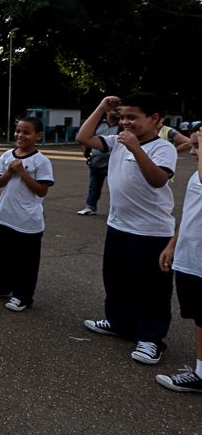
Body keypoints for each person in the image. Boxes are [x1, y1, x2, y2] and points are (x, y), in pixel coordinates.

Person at [77, 92, 178, 365]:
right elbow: (83, 139)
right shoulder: (117, 141)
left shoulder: (162, 147)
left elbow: (158, 180)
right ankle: (118, 322)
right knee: (116, 280)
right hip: (118, 225)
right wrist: (100, 107)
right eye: (122, 117)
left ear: (155, 118)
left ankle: (151, 339)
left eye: (132, 117)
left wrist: (136, 148)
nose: (125, 123)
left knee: (151, 289)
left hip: (151, 232)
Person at [0, 117, 54, 311]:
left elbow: (42, 191)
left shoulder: (41, 161)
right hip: (4, 215)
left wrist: (22, 172)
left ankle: (23, 296)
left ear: (38, 136)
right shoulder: (6, 156)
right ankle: (0, 287)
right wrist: (10, 172)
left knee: (25, 262)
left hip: (27, 221)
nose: (20, 135)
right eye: (18, 131)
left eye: (26, 132)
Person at [156, 130, 202, 393]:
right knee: (200, 317)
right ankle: (200, 371)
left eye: (197, 146)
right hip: (190, 257)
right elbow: (190, 213)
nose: (193, 151)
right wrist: (173, 244)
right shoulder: (196, 174)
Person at [77, 109, 120, 216]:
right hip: (96, 160)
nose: (117, 112)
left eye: (119, 110)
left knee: (117, 187)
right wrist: (86, 154)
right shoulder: (98, 124)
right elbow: (85, 139)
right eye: (114, 110)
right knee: (94, 185)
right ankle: (90, 207)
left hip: (114, 162)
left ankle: (118, 210)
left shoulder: (122, 126)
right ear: (107, 111)